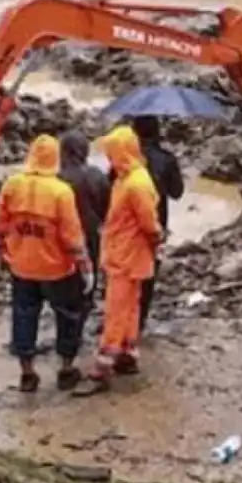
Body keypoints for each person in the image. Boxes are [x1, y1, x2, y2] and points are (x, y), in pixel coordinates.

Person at [0, 135, 91, 392]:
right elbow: (72, 236)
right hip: (58, 269)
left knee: (24, 316)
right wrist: (84, 264)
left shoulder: (12, 185)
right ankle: (66, 368)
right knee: (68, 316)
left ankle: (27, 372)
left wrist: (1, 252)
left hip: (22, 266)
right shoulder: (61, 192)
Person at [76, 125, 162, 396]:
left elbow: (149, 224)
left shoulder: (136, 183)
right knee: (130, 307)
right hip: (127, 253)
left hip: (126, 256)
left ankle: (103, 367)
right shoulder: (130, 178)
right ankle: (127, 353)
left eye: (112, 153)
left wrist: (157, 239)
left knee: (116, 310)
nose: (109, 159)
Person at [128, 115, 184, 331]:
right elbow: (177, 193)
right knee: (149, 273)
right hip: (156, 225)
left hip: (127, 226)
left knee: (125, 274)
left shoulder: (125, 158)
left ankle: (125, 319)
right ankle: (139, 322)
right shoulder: (166, 159)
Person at [58, 130, 112, 298]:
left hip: (62, 236)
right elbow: (108, 209)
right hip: (91, 232)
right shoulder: (98, 176)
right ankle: (86, 301)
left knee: (64, 279)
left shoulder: (58, 179)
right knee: (89, 276)